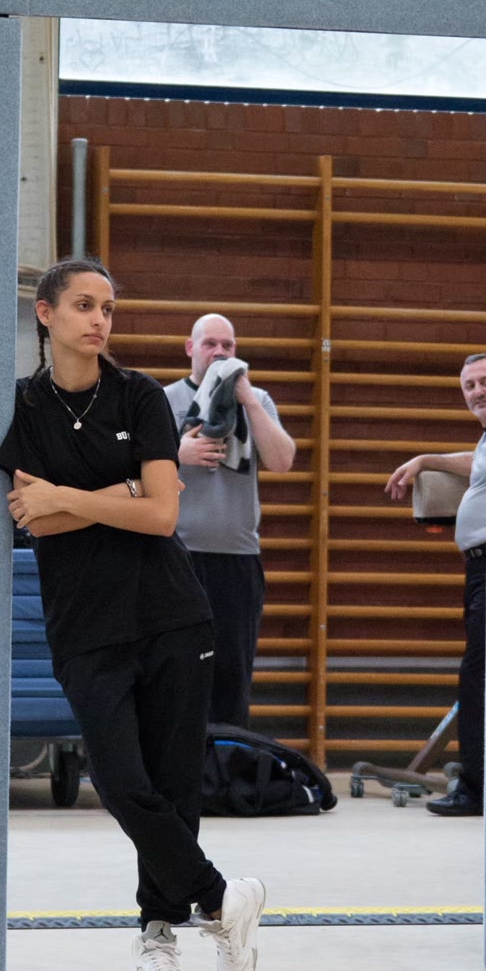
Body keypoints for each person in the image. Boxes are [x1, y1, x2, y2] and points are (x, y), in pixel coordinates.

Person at [0, 256, 266, 971]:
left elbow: (162, 515)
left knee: (174, 786)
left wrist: (70, 494)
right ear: (45, 313)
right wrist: (120, 491)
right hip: (84, 624)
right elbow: (33, 519)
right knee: (120, 783)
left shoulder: (140, 394)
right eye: (83, 305)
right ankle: (223, 900)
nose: (98, 319)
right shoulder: (23, 405)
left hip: (172, 614)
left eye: (107, 308)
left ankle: (158, 940)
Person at [164, 314, 296, 733]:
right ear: (191, 348)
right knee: (175, 671)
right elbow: (130, 472)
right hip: (177, 556)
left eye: (228, 345)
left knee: (231, 676)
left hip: (236, 559)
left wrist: (250, 402)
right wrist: (176, 453)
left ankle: (225, 766)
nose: (220, 353)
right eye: (210, 344)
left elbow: (282, 461)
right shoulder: (165, 399)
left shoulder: (258, 399)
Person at [384, 352, 486, 816]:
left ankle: (477, 788)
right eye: (469, 386)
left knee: (478, 677)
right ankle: (481, 781)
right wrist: (426, 459)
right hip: (479, 567)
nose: (478, 392)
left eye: (485, 381)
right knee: (479, 674)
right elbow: (476, 464)